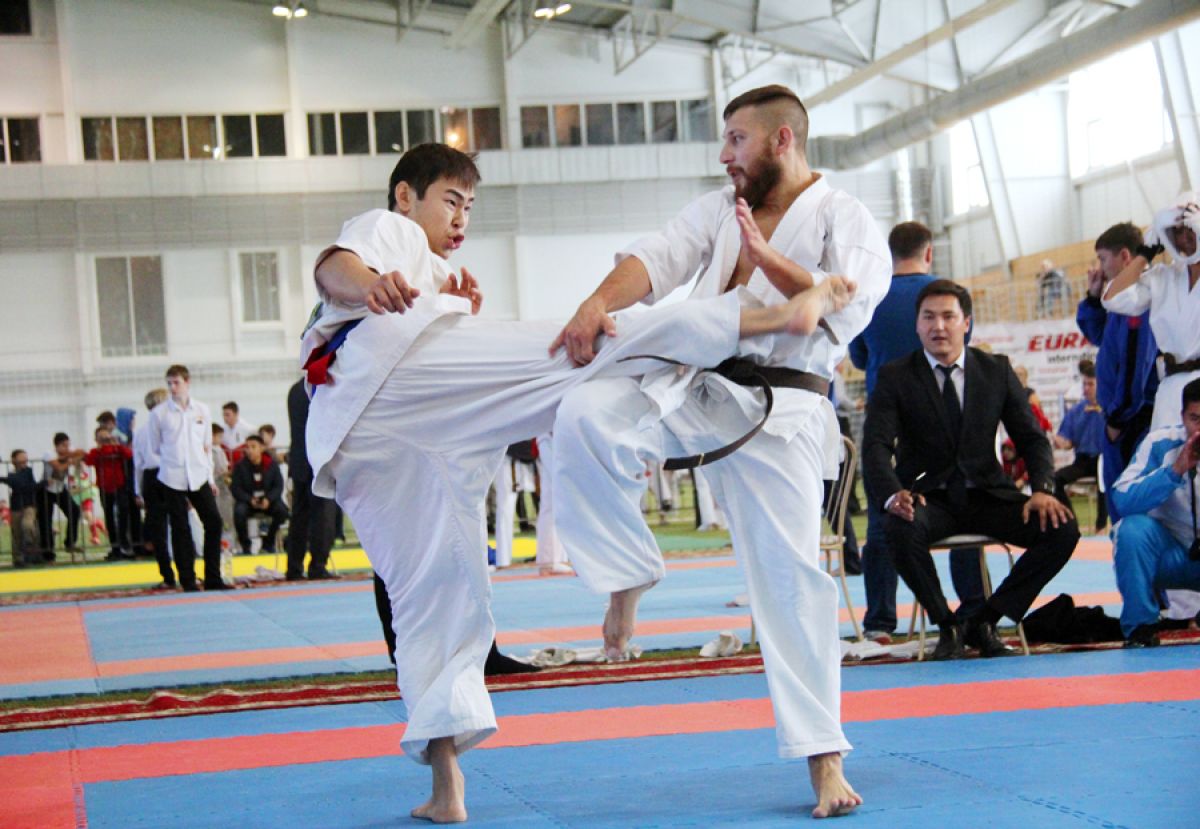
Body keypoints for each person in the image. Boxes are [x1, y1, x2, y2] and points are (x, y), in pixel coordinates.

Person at [307, 141, 854, 823]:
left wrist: (445, 299)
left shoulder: (433, 273)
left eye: (470, 206)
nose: (462, 217)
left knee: (437, 595)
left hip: (362, 440)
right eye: (451, 200)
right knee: (582, 348)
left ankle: (446, 785)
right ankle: (774, 316)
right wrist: (369, 283)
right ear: (404, 196)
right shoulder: (389, 231)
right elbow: (334, 268)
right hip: (393, 382)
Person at [550, 85, 889, 818]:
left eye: (737, 138)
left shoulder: (845, 216)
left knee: (790, 579)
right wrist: (597, 303)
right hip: (695, 385)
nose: (724, 153)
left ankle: (825, 759)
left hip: (780, 408)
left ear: (781, 140)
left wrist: (773, 262)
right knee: (583, 414)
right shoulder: (718, 210)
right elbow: (655, 259)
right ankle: (628, 573)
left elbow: (847, 301)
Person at [863, 280, 1080, 660]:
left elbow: (1032, 439)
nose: (938, 326)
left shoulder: (996, 371)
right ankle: (946, 625)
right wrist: (893, 493)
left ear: (966, 323)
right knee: (897, 526)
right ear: (917, 325)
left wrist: (1043, 489)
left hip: (988, 494)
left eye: (948, 316)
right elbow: (876, 446)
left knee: (1062, 528)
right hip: (928, 499)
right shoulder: (895, 376)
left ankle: (987, 620)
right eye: (928, 317)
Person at [848, 220, 984, 642]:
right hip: (943, 417)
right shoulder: (947, 296)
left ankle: (879, 622)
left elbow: (858, 357)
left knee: (883, 514)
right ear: (929, 253)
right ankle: (974, 610)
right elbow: (962, 347)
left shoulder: (871, 294)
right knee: (962, 508)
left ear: (890, 255)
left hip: (886, 419)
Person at [1075, 222, 1158, 524]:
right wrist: (1093, 298)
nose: (1100, 267)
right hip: (1123, 415)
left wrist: (1118, 418)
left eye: (1103, 259)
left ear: (1124, 256)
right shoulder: (1119, 302)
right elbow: (1099, 336)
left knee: (1129, 506)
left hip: (1133, 418)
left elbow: (1135, 365)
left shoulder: (1138, 301)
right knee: (1120, 506)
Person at [1110, 378, 1200, 647]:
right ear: (1182, 417)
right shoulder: (1160, 443)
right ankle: (1140, 627)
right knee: (1130, 531)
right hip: (1170, 554)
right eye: (1195, 419)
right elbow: (1121, 499)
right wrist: (1174, 471)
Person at [148, 364, 227, 591]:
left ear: (187, 382)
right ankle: (187, 579)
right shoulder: (159, 414)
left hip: (199, 474)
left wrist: (210, 478)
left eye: (177, 383)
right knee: (180, 526)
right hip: (172, 476)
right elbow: (155, 447)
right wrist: (173, 459)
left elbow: (206, 445)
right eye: (169, 383)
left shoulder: (201, 409)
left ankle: (213, 576)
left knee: (213, 521)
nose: (173, 388)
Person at [285, 378, 337, 580]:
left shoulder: (295, 390)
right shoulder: (323, 388)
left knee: (299, 517)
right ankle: (317, 566)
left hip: (299, 461)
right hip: (318, 460)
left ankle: (294, 567)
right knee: (323, 517)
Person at [1053, 361, 1108, 532]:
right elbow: (1067, 442)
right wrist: (1059, 442)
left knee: (1104, 477)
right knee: (1055, 479)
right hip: (1083, 460)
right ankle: (1071, 522)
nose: (1086, 388)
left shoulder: (1109, 408)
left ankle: (1101, 525)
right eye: (1084, 384)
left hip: (1103, 459)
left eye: (1090, 384)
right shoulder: (1076, 411)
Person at [134, 388, 173, 588]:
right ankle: (185, 572)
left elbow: (138, 465)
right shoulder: (170, 428)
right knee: (179, 524)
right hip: (169, 474)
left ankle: (168, 575)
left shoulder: (140, 431)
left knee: (159, 530)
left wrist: (138, 491)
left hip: (151, 477)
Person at [231, 434, 288, 555]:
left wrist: (268, 499)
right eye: (247, 447)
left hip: (268, 501)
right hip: (248, 502)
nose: (249, 450)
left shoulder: (271, 464)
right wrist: (249, 499)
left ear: (262, 448)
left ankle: (268, 542)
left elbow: (278, 486)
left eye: (253, 447)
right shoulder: (240, 466)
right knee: (239, 512)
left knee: (282, 511)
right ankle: (246, 546)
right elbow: (236, 488)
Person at [84, 426, 135, 560]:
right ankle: (115, 547)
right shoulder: (96, 452)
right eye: (101, 438)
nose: (105, 441)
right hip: (104, 487)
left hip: (119, 485)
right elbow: (89, 460)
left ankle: (124, 544)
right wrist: (103, 446)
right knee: (109, 517)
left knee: (123, 514)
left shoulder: (117, 449)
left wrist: (114, 443)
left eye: (106, 437)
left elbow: (129, 454)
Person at [39, 432, 84, 558]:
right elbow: (58, 467)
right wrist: (70, 460)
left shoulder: (68, 452)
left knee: (74, 511)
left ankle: (70, 542)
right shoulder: (49, 453)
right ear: (57, 446)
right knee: (46, 521)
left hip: (60, 488)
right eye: (64, 445)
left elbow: (80, 454)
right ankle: (48, 554)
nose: (67, 448)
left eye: (68, 445)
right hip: (46, 489)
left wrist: (74, 459)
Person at [2, 450, 40, 567]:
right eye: (21, 457)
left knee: (27, 525)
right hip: (16, 505)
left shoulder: (28, 471)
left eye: (25, 457)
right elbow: (16, 483)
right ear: (14, 460)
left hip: (29, 504)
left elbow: (27, 485)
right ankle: (18, 558)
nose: (24, 460)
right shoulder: (11, 473)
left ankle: (33, 551)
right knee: (16, 532)